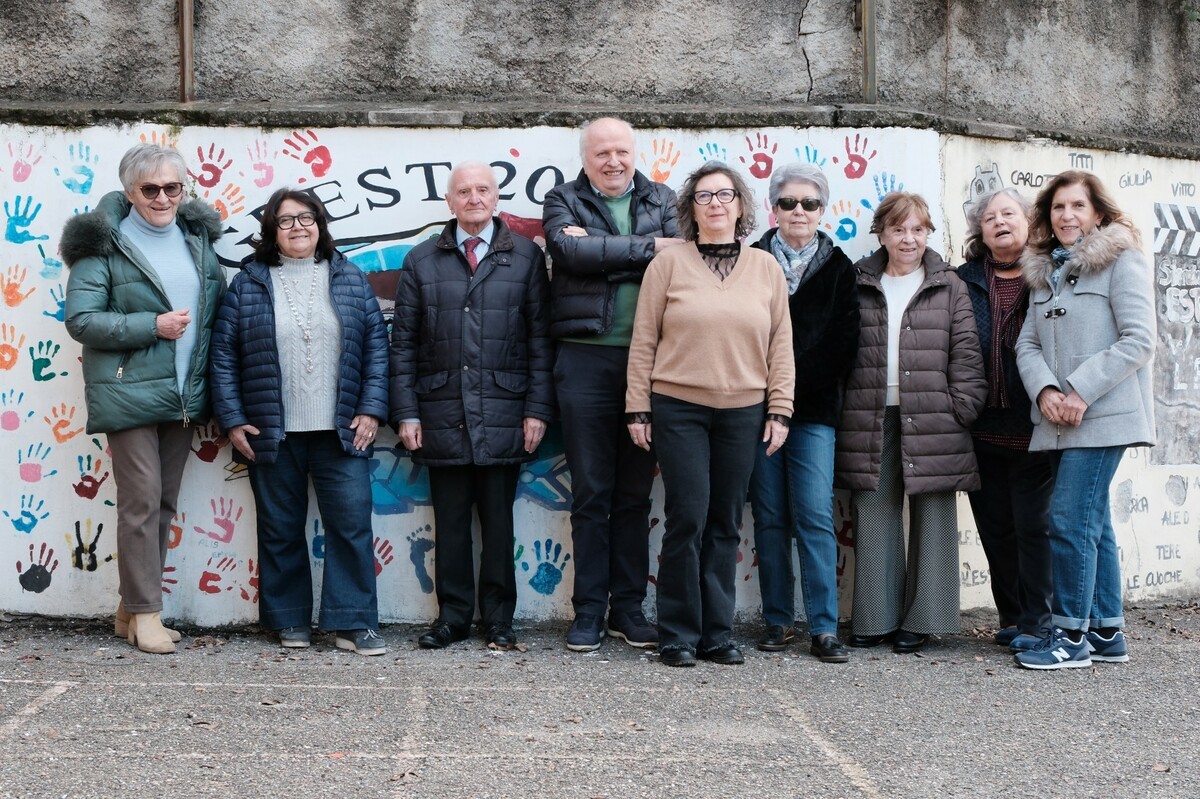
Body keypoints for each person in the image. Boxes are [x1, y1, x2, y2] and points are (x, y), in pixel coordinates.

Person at [626, 161, 794, 667]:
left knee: (725, 521)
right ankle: (678, 633)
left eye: (725, 195)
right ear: (691, 210)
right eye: (704, 196)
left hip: (744, 410)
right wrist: (638, 406)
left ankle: (717, 634)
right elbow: (644, 340)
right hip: (678, 408)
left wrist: (780, 409)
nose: (715, 204)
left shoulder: (766, 268)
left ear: (741, 206)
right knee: (687, 517)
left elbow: (781, 344)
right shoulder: (668, 266)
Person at [209, 188, 389, 656]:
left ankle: (353, 622)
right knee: (279, 527)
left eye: (306, 218)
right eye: (285, 220)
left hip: (342, 429)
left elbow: (376, 351)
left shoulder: (350, 278)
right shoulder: (247, 284)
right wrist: (233, 419)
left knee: (351, 525)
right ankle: (289, 618)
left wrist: (370, 409)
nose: (297, 227)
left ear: (320, 225)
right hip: (272, 429)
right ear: (271, 231)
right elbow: (223, 357)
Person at [62, 142, 226, 654]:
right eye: (149, 188)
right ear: (130, 191)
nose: (162, 198)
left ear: (184, 189)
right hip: (127, 391)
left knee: (163, 503)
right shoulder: (103, 244)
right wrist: (152, 325)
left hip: (183, 394)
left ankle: (129, 610)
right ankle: (147, 613)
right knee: (141, 502)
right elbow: (81, 320)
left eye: (172, 187)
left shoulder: (197, 238)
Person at [390, 161, 553, 651]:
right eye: (464, 191)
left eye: (483, 189)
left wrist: (537, 409)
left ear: (496, 197)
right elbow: (404, 344)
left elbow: (540, 341)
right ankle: (454, 618)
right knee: (452, 524)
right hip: (441, 411)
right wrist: (406, 411)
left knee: (499, 524)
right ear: (450, 201)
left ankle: (500, 620)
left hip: (505, 410)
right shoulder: (422, 259)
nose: (474, 198)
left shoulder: (525, 256)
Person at [543, 117, 684, 652]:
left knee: (633, 494)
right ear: (585, 158)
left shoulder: (663, 198)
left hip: (650, 363)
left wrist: (604, 251)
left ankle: (628, 608)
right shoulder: (562, 199)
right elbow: (571, 255)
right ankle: (588, 612)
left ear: (634, 153)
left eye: (621, 151)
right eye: (602, 152)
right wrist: (651, 248)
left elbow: (680, 259)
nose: (613, 161)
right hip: (584, 359)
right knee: (590, 492)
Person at [1013, 171, 1155, 669]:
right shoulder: (1046, 270)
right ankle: (1106, 631)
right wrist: (1046, 390)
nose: (1067, 215)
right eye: (1058, 207)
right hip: (1058, 417)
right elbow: (1027, 344)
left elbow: (1139, 340)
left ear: (1097, 213)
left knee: (1069, 519)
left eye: (1077, 206)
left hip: (1104, 414)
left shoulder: (1122, 261)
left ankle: (1070, 637)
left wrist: (1079, 390)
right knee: (1094, 523)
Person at [835, 191, 986, 655]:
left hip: (936, 415)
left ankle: (925, 619)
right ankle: (875, 618)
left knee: (933, 515)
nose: (908, 238)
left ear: (928, 234)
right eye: (898, 229)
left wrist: (960, 408)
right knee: (874, 511)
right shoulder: (858, 279)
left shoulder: (948, 283)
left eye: (918, 229)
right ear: (881, 233)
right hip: (869, 414)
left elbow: (966, 353)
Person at [747, 163, 859, 663]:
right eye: (788, 202)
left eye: (809, 203)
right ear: (774, 208)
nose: (799, 211)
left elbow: (842, 346)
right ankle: (777, 621)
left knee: (814, 515)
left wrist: (788, 398)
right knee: (770, 516)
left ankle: (823, 628)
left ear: (822, 210)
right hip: (755, 409)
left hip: (813, 413)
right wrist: (770, 398)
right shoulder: (750, 261)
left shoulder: (840, 269)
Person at [957, 188, 1054, 654]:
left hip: (1037, 424)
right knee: (996, 528)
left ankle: (1039, 620)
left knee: (1034, 527)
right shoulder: (963, 280)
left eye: (1008, 213)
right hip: (981, 427)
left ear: (1028, 220)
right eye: (990, 217)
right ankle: (1012, 616)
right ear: (980, 230)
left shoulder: (1050, 273)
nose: (999, 222)